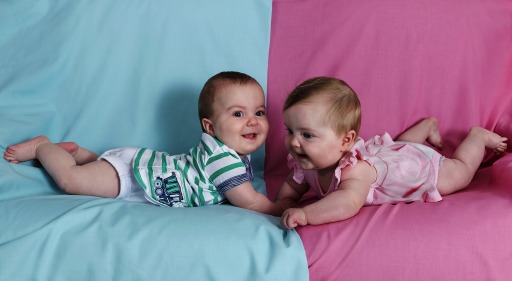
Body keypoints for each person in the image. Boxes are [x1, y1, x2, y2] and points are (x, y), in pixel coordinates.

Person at [3, 71, 283, 216]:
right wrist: (285, 208)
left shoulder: (226, 152)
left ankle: (79, 154)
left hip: (142, 168)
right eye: (238, 113)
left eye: (259, 112)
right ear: (209, 127)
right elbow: (252, 203)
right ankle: (43, 147)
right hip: (133, 179)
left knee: (98, 172)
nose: (253, 121)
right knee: (72, 181)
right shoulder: (222, 160)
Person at [274, 77, 508, 229]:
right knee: (398, 146)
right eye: (290, 130)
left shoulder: (355, 171)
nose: (293, 142)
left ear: (345, 141)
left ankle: (477, 137)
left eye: (307, 135)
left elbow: (347, 202)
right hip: (391, 156)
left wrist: (305, 215)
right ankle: (427, 126)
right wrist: (284, 202)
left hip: (417, 169)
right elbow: (293, 188)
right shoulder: (304, 161)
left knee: (461, 172)